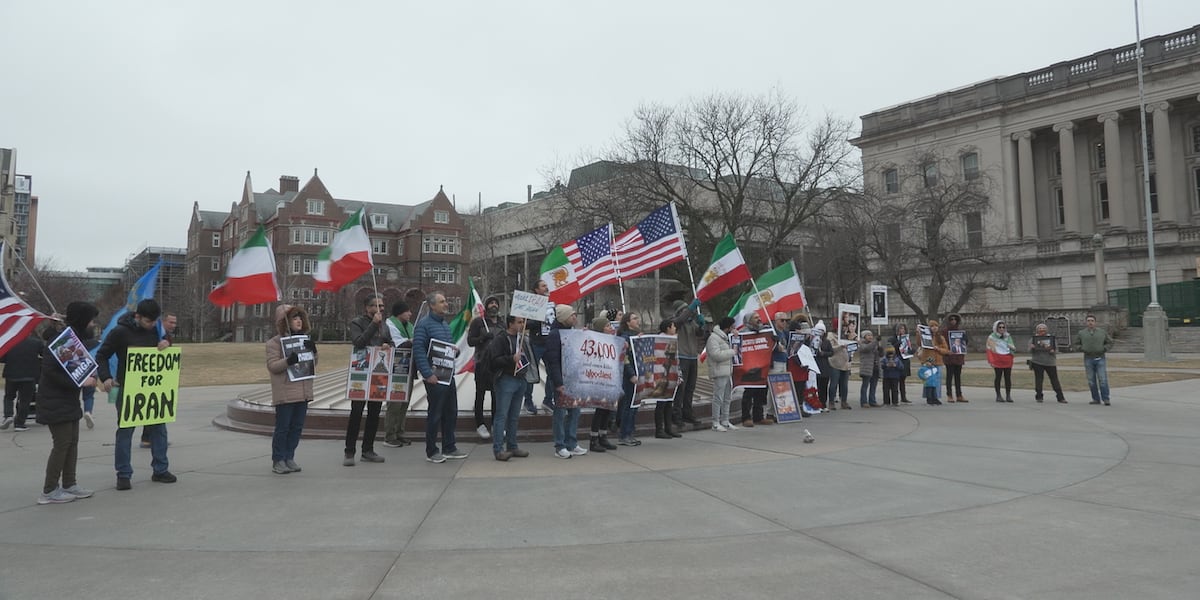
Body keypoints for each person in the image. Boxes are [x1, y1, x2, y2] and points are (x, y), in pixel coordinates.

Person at [95, 299, 175, 490]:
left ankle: (160, 469)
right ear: (137, 316)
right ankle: (123, 474)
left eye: (155, 321)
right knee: (125, 431)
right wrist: (106, 377)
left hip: (152, 388)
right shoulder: (120, 332)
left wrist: (166, 344)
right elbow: (101, 355)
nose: (152, 325)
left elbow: (164, 346)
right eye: (148, 321)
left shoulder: (155, 329)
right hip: (127, 388)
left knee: (159, 429)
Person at [36, 303, 100, 504]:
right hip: (54, 401)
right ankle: (49, 490)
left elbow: (79, 363)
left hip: (69, 401)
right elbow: (51, 372)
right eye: (91, 320)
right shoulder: (60, 341)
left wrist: (90, 374)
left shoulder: (74, 339)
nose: (93, 324)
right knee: (62, 444)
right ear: (82, 320)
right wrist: (80, 382)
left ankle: (70, 484)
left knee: (72, 443)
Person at [413, 292, 468, 463]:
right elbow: (419, 350)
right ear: (432, 305)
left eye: (445, 301)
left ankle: (449, 447)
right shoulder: (423, 325)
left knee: (451, 412)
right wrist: (427, 374)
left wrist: (454, 352)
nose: (446, 304)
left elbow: (446, 348)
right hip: (434, 378)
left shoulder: (444, 324)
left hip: (447, 376)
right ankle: (431, 451)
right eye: (442, 302)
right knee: (435, 414)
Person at [265, 304, 316, 474]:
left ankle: (289, 456)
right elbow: (272, 366)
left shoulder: (304, 339)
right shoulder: (274, 343)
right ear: (284, 321)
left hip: (303, 391)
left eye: (300, 317)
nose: (299, 321)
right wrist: (288, 361)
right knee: (283, 428)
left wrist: (313, 351)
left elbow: (312, 364)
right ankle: (278, 459)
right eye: (294, 318)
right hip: (286, 392)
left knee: (297, 427)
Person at [343, 295, 390, 466]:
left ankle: (368, 450)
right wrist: (373, 324)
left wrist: (387, 345)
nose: (380, 309)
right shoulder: (357, 322)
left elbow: (389, 342)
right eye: (376, 305)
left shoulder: (385, 325)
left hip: (378, 373)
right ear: (367, 308)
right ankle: (349, 451)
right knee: (356, 413)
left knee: (374, 413)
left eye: (382, 305)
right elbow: (359, 342)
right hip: (361, 374)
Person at [486, 315, 533, 461]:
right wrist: (510, 359)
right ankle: (498, 449)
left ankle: (512, 446)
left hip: (520, 378)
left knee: (514, 416)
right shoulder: (501, 339)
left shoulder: (521, 339)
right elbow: (494, 360)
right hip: (506, 379)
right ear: (510, 324)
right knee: (502, 415)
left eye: (523, 322)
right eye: (519, 322)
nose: (522, 324)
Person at [546, 304, 587, 457]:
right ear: (564, 318)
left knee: (575, 411)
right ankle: (560, 445)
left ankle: (572, 443)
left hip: (573, 378)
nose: (575, 317)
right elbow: (553, 361)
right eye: (572, 315)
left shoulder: (572, 332)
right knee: (561, 412)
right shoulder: (554, 335)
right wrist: (558, 383)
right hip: (562, 379)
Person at [468, 295, 502, 439]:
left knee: (496, 395)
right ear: (486, 306)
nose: (494, 305)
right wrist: (483, 338)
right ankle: (480, 424)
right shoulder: (478, 322)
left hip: (497, 364)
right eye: (491, 303)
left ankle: (495, 423)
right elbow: (470, 341)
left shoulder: (502, 323)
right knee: (480, 394)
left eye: (496, 303)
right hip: (482, 363)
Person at [140, 311, 176, 448]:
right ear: (163, 321)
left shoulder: (167, 336)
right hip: (151, 378)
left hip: (161, 378)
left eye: (175, 323)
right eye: (171, 322)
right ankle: (148, 438)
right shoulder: (155, 334)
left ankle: (152, 438)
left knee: (158, 408)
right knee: (153, 408)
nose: (173, 325)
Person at [383, 300, 414, 448]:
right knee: (395, 404)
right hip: (395, 368)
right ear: (400, 313)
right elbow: (399, 344)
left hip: (408, 367)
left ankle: (400, 432)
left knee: (404, 403)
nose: (410, 314)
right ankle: (390, 435)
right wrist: (412, 341)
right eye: (407, 311)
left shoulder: (410, 326)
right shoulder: (389, 325)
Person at [586, 317, 619, 452]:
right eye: (607, 326)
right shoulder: (594, 341)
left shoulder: (612, 340)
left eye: (610, 325)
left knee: (608, 408)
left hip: (610, 377)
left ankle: (603, 436)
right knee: (600, 409)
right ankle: (593, 439)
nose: (610, 328)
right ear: (601, 328)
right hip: (599, 378)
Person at [669, 299, 704, 427]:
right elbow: (679, 320)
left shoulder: (691, 322)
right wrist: (691, 308)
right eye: (684, 310)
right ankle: (676, 414)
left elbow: (700, 334)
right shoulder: (675, 323)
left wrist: (701, 325)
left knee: (690, 388)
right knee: (681, 388)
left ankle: (687, 413)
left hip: (692, 357)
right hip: (682, 357)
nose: (688, 312)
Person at [1, 330, 44, 432]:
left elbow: (2, 358)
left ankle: (8, 415)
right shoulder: (36, 343)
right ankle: (19, 423)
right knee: (25, 401)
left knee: (9, 397)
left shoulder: (10, 342)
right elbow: (45, 354)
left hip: (12, 374)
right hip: (29, 375)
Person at [523, 280, 552, 415]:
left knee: (552, 372)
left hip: (549, 343)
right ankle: (528, 401)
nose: (546, 288)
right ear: (536, 289)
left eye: (546, 285)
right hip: (536, 342)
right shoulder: (530, 304)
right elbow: (524, 324)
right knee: (532, 372)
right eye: (543, 286)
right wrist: (538, 319)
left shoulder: (551, 303)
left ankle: (548, 400)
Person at [740, 313, 773, 426]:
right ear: (749, 320)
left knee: (761, 392)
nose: (759, 319)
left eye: (759, 317)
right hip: (749, 367)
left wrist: (773, 339)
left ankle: (758, 417)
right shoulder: (743, 332)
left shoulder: (764, 331)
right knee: (749, 393)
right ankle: (746, 417)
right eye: (755, 317)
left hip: (761, 366)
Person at [1074, 314, 1114, 405]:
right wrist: (1082, 348)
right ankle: (1095, 398)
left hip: (1100, 358)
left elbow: (1110, 342)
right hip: (1088, 358)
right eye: (1088, 321)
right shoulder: (1081, 333)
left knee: (1102, 379)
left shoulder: (1102, 332)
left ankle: (1106, 398)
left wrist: (1104, 348)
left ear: (1095, 322)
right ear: (1086, 322)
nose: (1090, 322)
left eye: (1092, 321)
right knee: (1091, 380)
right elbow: (1076, 344)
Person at [615, 312, 643, 446]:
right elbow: (624, 358)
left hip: (638, 374)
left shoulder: (636, 335)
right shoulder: (624, 337)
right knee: (628, 405)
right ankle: (624, 434)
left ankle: (630, 432)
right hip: (629, 376)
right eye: (634, 318)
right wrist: (631, 374)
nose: (637, 320)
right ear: (627, 322)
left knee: (635, 405)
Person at [706, 316, 738, 431]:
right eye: (732, 327)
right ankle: (715, 422)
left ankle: (725, 420)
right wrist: (732, 352)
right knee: (718, 397)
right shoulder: (713, 338)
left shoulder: (727, 338)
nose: (734, 329)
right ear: (728, 327)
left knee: (727, 397)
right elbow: (716, 355)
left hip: (728, 371)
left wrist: (736, 339)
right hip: (719, 371)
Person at [653, 319, 682, 438]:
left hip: (672, 374)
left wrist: (678, 374)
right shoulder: (659, 340)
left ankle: (668, 428)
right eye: (673, 326)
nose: (675, 328)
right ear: (668, 328)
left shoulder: (674, 340)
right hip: (662, 374)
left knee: (669, 402)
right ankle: (659, 430)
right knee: (661, 403)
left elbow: (676, 359)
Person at [1029, 322, 1067, 404]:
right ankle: (1039, 396)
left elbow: (1056, 349)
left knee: (1054, 380)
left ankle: (1060, 397)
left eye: (1043, 329)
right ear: (1037, 330)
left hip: (1050, 362)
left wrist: (1053, 351)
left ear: (1046, 330)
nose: (1042, 330)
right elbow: (1029, 350)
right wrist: (1032, 347)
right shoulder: (1033, 339)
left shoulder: (1051, 338)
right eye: (1040, 329)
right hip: (1037, 361)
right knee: (1039, 379)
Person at [918, 319, 950, 403]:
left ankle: (936, 397)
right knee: (928, 380)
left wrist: (938, 349)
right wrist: (918, 333)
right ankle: (928, 397)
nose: (934, 328)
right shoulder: (926, 337)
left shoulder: (941, 338)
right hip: (927, 362)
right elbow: (919, 343)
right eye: (932, 326)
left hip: (937, 362)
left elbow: (946, 350)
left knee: (936, 380)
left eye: (936, 326)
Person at [986, 320, 1016, 403]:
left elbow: (1013, 347)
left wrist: (1011, 349)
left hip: (1007, 358)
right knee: (998, 377)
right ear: (996, 328)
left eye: (1003, 327)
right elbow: (989, 349)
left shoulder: (1008, 336)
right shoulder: (991, 337)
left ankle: (1008, 395)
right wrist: (991, 360)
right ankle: (998, 395)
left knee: (1008, 377)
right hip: (997, 358)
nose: (1002, 329)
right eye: (1000, 327)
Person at [942, 313, 968, 403]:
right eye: (951, 319)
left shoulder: (960, 331)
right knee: (949, 376)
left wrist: (964, 340)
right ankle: (949, 395)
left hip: (958, 357)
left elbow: (965, 342)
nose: (953, 321)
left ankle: (959, 395)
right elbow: (942, 343)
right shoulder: (945, 332)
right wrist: (946, 351)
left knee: (958, 377)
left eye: (955, 319)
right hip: (949, 357)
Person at [825, 327, 852, 410]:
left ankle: (844, 401)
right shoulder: (831, 336)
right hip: (835, 363)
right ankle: (831, 402)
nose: (844, 328)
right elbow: (831, 348)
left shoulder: (846, 335)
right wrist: (840, 346)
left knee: (844, 384)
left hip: (845, 363)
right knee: (834, 383)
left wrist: (854, 344)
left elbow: (851, 346)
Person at [888, 323, 914, 404]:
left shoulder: (906, 338)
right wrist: (897, 344)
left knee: (903, 380)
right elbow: (889, 349)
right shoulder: (892, 338)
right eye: (900, 328)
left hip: (905, 360)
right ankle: (894, 398)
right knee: (895, 381)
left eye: (903, 329)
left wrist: (912, 351)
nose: (902, 330)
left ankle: (903, 397)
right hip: (896, 360)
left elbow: (908, 349)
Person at [811, 321, 833, 409]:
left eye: (822, 330)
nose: (820, 332)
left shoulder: (827, 342)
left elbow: (831, 352)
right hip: (816, 365)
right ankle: (816, 403)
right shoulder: (812, 340)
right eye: (818, 330)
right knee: (817, 386)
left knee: (824, 386)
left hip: (825, 367)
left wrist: (823, 353)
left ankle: (823, 403)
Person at [857, 329, 880, 407]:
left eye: (871, 335)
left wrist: (880, 350)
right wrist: (875, 341)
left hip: (875, 367)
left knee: (873, 386)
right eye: (868, 335)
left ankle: (872, 401)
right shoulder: (861, 344)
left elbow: (879, 355)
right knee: (865, 385)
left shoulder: (874, 344)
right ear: (864, 337)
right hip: (866, 368)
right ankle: (864, 401)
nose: (870, 337)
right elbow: (867, 348)